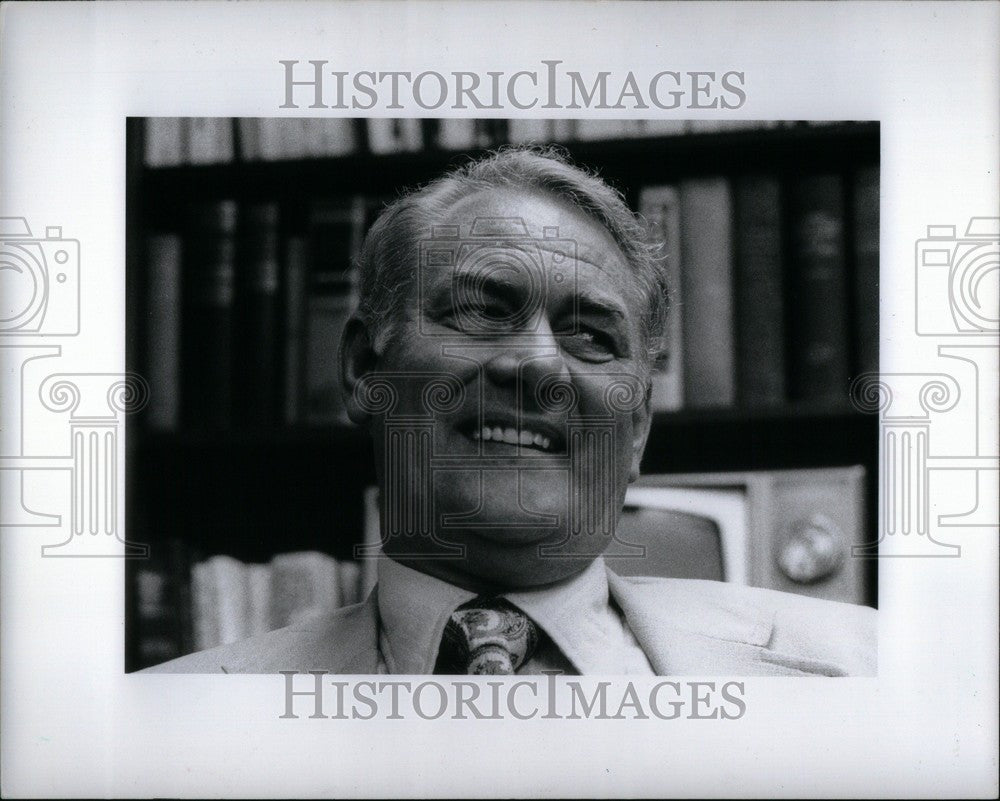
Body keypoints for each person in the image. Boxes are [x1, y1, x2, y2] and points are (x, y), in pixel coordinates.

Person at [146, 146, 876, 676]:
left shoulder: (875, 671)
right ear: (366, 368)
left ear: (639, 427)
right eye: (480, 310)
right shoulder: (164, 724)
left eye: (591, 334)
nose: (536, 364)